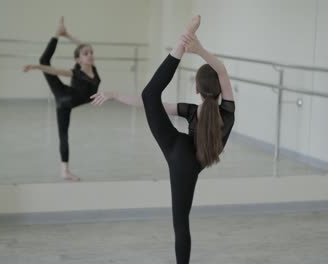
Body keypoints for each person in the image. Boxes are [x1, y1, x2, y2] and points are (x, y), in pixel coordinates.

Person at [91, 15, 235, 264]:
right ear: (218, 90)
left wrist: (115, 94)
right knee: (181, 224)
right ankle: (182, 42)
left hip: (177, 147)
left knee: (150, 95)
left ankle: (180, 44)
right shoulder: (228, 113)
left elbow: (151, 105)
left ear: (196, 89)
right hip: (187, 165)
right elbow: (221, 70)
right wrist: (199, 50)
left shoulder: (191, 110)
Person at [24, 17, 101, 181]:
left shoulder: (92, 68)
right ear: (79, 59)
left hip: (68, 95)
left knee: (64, 134)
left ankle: (58, 34)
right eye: (86, 54)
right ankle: (64, 171)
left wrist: (68, 35)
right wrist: (37, 68)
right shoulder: (77, 73)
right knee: (63, 135)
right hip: (64, 99)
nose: (90, 55)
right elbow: (54, 71)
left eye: (91, 53)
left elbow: (83, 46)